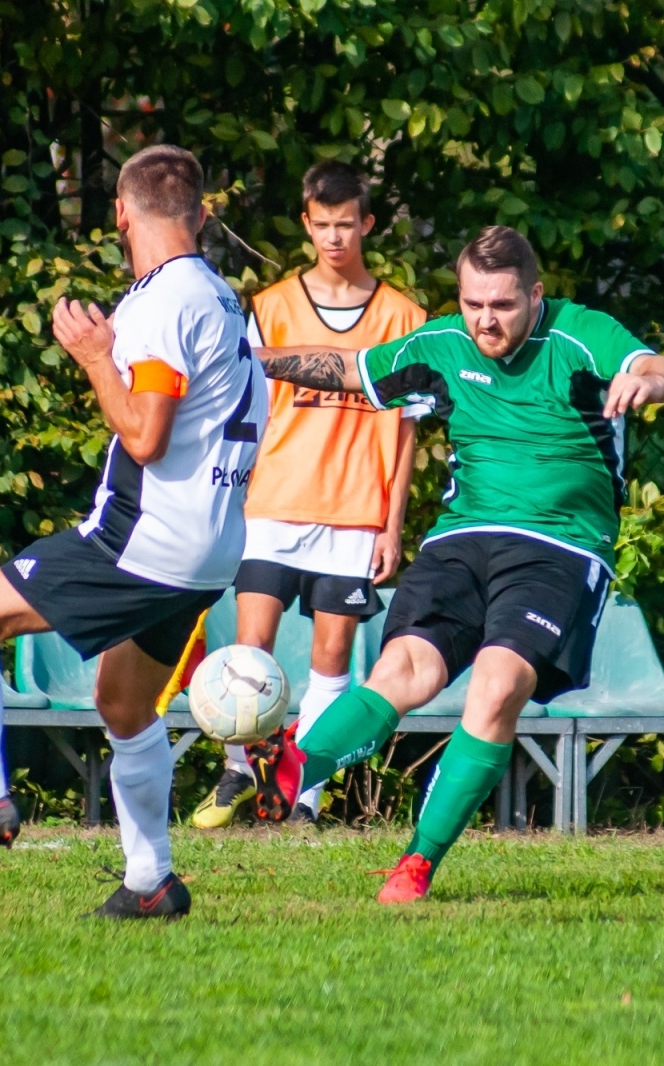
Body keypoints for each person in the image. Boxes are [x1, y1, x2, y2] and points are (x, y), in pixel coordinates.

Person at [0, 145, 268, 920]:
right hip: (212, 545)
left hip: (146, 536)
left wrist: (94, 356)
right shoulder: (223, 298)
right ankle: (151, 880)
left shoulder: (165, 302)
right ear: (200, 214)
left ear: (121, 213)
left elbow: (144, 433)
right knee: (124, 704)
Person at [247, 225, 664, 902]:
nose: (486, 319)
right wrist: (251, 359)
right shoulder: (444, 343)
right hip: (462, 538)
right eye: (474, 302)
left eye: (503, 305)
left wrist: (644, 384)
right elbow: (347, 368)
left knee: (497, 684)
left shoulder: (577, 333)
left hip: (559, 547)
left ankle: (416, 863)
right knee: (403, 669)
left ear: (535, 296)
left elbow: (660, 369)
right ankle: (297, 766)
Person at [189, 161, 425, 829]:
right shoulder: (270, 307)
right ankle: (240, 770)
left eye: (346, 225)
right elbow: (243, 412)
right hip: (273, 503)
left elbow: (407, 429)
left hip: (354, 512)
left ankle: (303, 798)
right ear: (305, 223)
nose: (334, 238)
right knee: (249, 647)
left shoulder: (403, 316)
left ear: (367, 224)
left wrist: (392, 522)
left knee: (331, 660)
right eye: (321, 225)